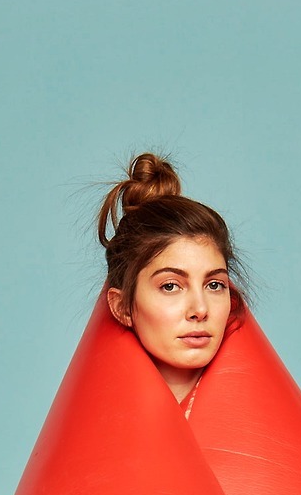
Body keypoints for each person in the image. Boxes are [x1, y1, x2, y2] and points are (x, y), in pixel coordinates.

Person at [98, 152, 244, 416]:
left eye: (214, 285)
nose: (200, 310)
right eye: (170, 286)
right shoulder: (90, 419)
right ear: (122, 306)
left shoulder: (270, 414)